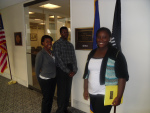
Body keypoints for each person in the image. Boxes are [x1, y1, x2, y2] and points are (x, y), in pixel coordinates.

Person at [83, 27, 129, 113]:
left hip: (106, 93)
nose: (101, 39)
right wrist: (85, 89)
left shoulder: (116, 54)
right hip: (92, 91)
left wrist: (119, 96)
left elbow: (122, 76)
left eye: (104, 37)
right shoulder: (92, 53)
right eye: (99, 37)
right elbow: (87, 74)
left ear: (109, 38)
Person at [53, 26, 78, 113]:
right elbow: (58, 60)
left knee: (68, 90)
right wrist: (68, 71)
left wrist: (74, 70)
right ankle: (60, 110)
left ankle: (65, 108)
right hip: (61, 70)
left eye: (67, 32)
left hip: (70, 69)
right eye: (64, 32)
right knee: (61, 91)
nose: (66, 34)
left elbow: (74, 58)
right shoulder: (57, 44)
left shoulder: (70, 45)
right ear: (60, 33)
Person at [35, 35, 56, 113]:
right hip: (45, 80)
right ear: (43, 43)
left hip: (53, 79)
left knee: (50, 98)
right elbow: (37, 70)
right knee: (46, 99)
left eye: (50, 41)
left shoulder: (52, 52)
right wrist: (40, 81)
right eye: (47, 41)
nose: (49, 43)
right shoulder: (40, 54)